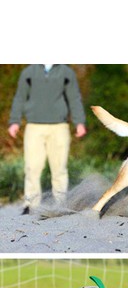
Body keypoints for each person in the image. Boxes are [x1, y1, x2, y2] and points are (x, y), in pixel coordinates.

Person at [8, 64, 87, 213]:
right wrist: (14, 121)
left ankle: (60, 203)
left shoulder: (66, 72)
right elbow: (20, 97)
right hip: (34, 127)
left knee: (59, 168)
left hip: (59, 126)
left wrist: (79, 122)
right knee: (32, 167)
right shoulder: (29, 72)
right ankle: (31, 204)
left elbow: (74, 97)